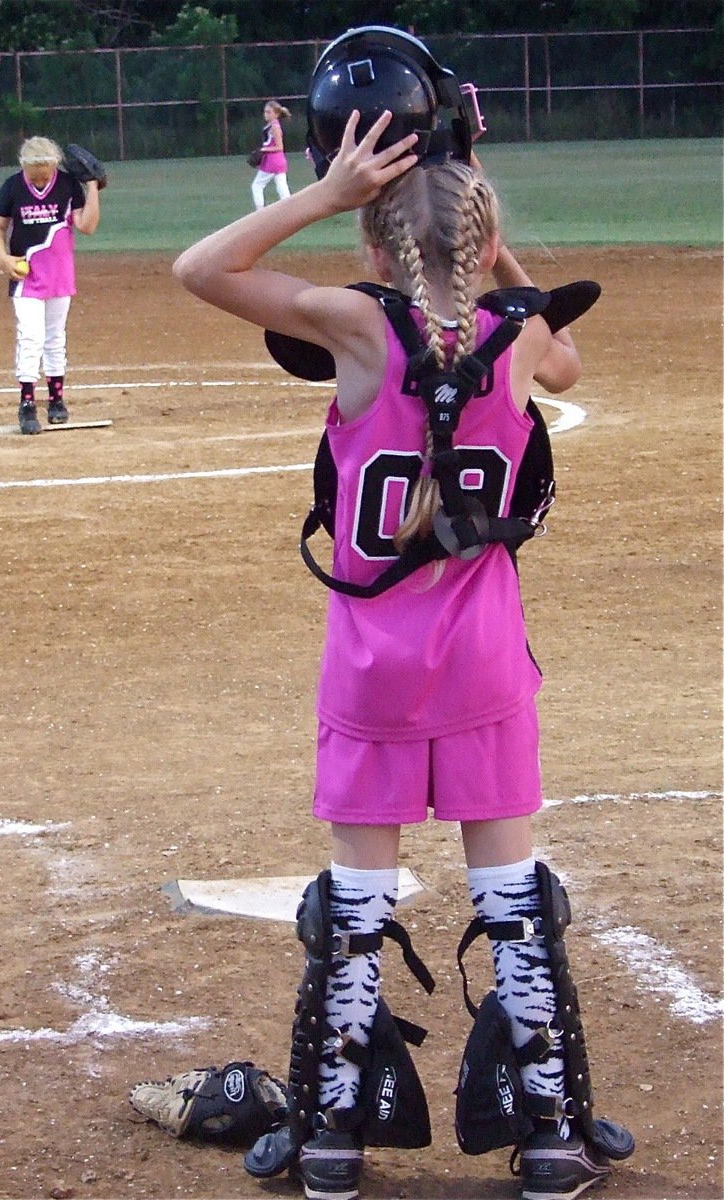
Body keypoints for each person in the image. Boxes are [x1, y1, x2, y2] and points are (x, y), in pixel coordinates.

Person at [174, 34, 633, 1200]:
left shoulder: (355, 326)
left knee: (357, 901)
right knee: (511, 896)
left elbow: (199, 269)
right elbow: (565, 353)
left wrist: (324, 193)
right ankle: (548, 1138)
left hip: (372, 667)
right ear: (479, 236)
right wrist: (489, 238)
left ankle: (332, 1137)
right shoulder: (519, 337)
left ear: (372, 241)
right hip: (481, 661)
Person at [0, 136, 100, 434]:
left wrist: (91, 186)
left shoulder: (66, 185)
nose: (40, 178)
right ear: (23, 166)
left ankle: (56, 401)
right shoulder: (12, 186)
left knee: (54, 338)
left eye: (45, 172)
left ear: (54, 165)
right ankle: (27, 404)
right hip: (25, 277)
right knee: (30, 337)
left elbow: (87, 226)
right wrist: (2, 258)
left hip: (60, 275)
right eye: (34, 173)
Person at [250, 101, 292, 210]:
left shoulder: (275, 127)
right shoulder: (271, 125)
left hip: (273, 161)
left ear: (276, 114)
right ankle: (290, 210)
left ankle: (260, 211)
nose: (266, 114)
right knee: (282, 188)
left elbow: (279, 147)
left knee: (257, 186)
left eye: (269, 112)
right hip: (279, 161)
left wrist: (264, 149)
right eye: (265, 112)